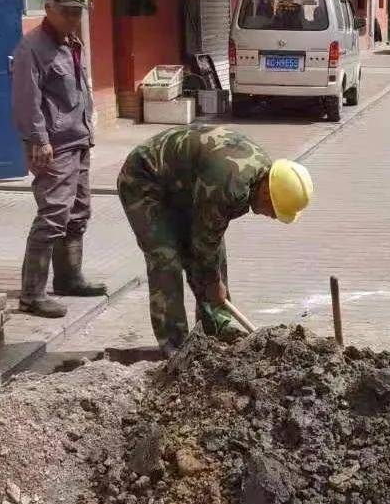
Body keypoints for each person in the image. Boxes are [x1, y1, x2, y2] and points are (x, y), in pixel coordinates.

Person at [117, 125, 313, 355]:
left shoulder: (262, 175)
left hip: (183, 188)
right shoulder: (229, 185)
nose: (272, 217)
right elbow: (203, 242)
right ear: (266, 192)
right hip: (144, 179)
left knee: (213, 253)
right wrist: (212, 282)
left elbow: (209, 237)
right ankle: (175, 347)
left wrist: (212, 280)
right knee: (165, 259)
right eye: (274, 211)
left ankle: (217, 328)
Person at [11, 0, 104, 319]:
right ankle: (32, 294)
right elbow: (26, 99)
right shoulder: (32, 48)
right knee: (53, 215)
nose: (73, 18)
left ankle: (68, 278)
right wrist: (39, 139)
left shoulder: (71, 42)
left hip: (77, 139)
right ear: (48, 6)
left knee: (78, 213)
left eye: (78, 11)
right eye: (67, 11)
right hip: (52, 145)